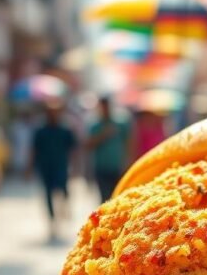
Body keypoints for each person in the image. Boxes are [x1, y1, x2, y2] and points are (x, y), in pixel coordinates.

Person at [32, 100, 77, 239]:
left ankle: (64, 209)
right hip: (45, 166)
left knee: (63, 189)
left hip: (61, 165)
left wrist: (75, 166)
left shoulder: (65, 130)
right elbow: (34, 149)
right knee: (47, 194)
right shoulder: (41, 130)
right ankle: (52, 220)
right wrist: (29, 167)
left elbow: (73, 148)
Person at [87, 96, 133, 202]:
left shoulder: (120, 123)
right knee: (104, 198)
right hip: (101, 167)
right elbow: (88, 145)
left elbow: (129, 142)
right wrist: (103, 135)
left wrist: (128, 161)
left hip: (117, 166)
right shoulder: (95, 125)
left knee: (118, 197)